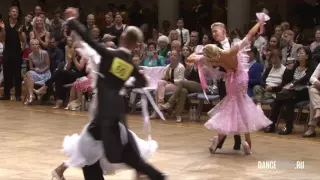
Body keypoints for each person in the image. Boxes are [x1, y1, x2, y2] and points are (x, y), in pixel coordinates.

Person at [64, 8, 166, 180]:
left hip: (105, 108)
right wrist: (126, 81)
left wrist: (73, 21)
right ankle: (152, 174)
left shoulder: (110, 54)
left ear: (123, 38)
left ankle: (155, 175)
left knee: (112, 152)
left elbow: (88, 38)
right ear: (135, 45)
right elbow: (142, 83)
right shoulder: (129, 64)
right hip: (116, 107)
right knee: (93, 145)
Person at [186, 12, 272, 155]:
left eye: (216, 31)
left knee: (232, 108)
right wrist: (259, 22)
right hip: (236, 79)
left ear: (224, 31)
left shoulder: (217, 57)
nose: (214, 34)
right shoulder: (232, 50)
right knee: (239, 108)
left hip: (232, 81)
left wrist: (199, 57)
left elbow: (191, 59)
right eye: (212, 32)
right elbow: (250, 35)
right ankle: (243, 143)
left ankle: (222, 141)